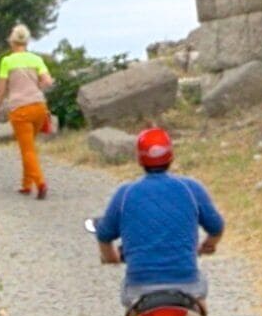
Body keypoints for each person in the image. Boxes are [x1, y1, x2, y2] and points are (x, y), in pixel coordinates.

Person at [93, 126, 225, 298]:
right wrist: (208, 246)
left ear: (139, 159)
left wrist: (111, 257)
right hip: (185, 282)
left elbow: (104, 235)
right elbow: (216, 227)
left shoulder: (125, 193)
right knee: (198, 305)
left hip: (139, 285)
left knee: (132, 315)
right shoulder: (191, 188)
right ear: (171, 156)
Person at [0, 25, 57, 199]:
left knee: (27, 149)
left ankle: (40, 183)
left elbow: (1, 89)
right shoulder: (36, 59)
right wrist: (37, 86)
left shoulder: (7, 61)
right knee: (29, 146)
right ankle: (26, 184)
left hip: (20, 109)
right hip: (39, 108)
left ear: (12, 42)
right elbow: (48, 82)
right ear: (26, 42)